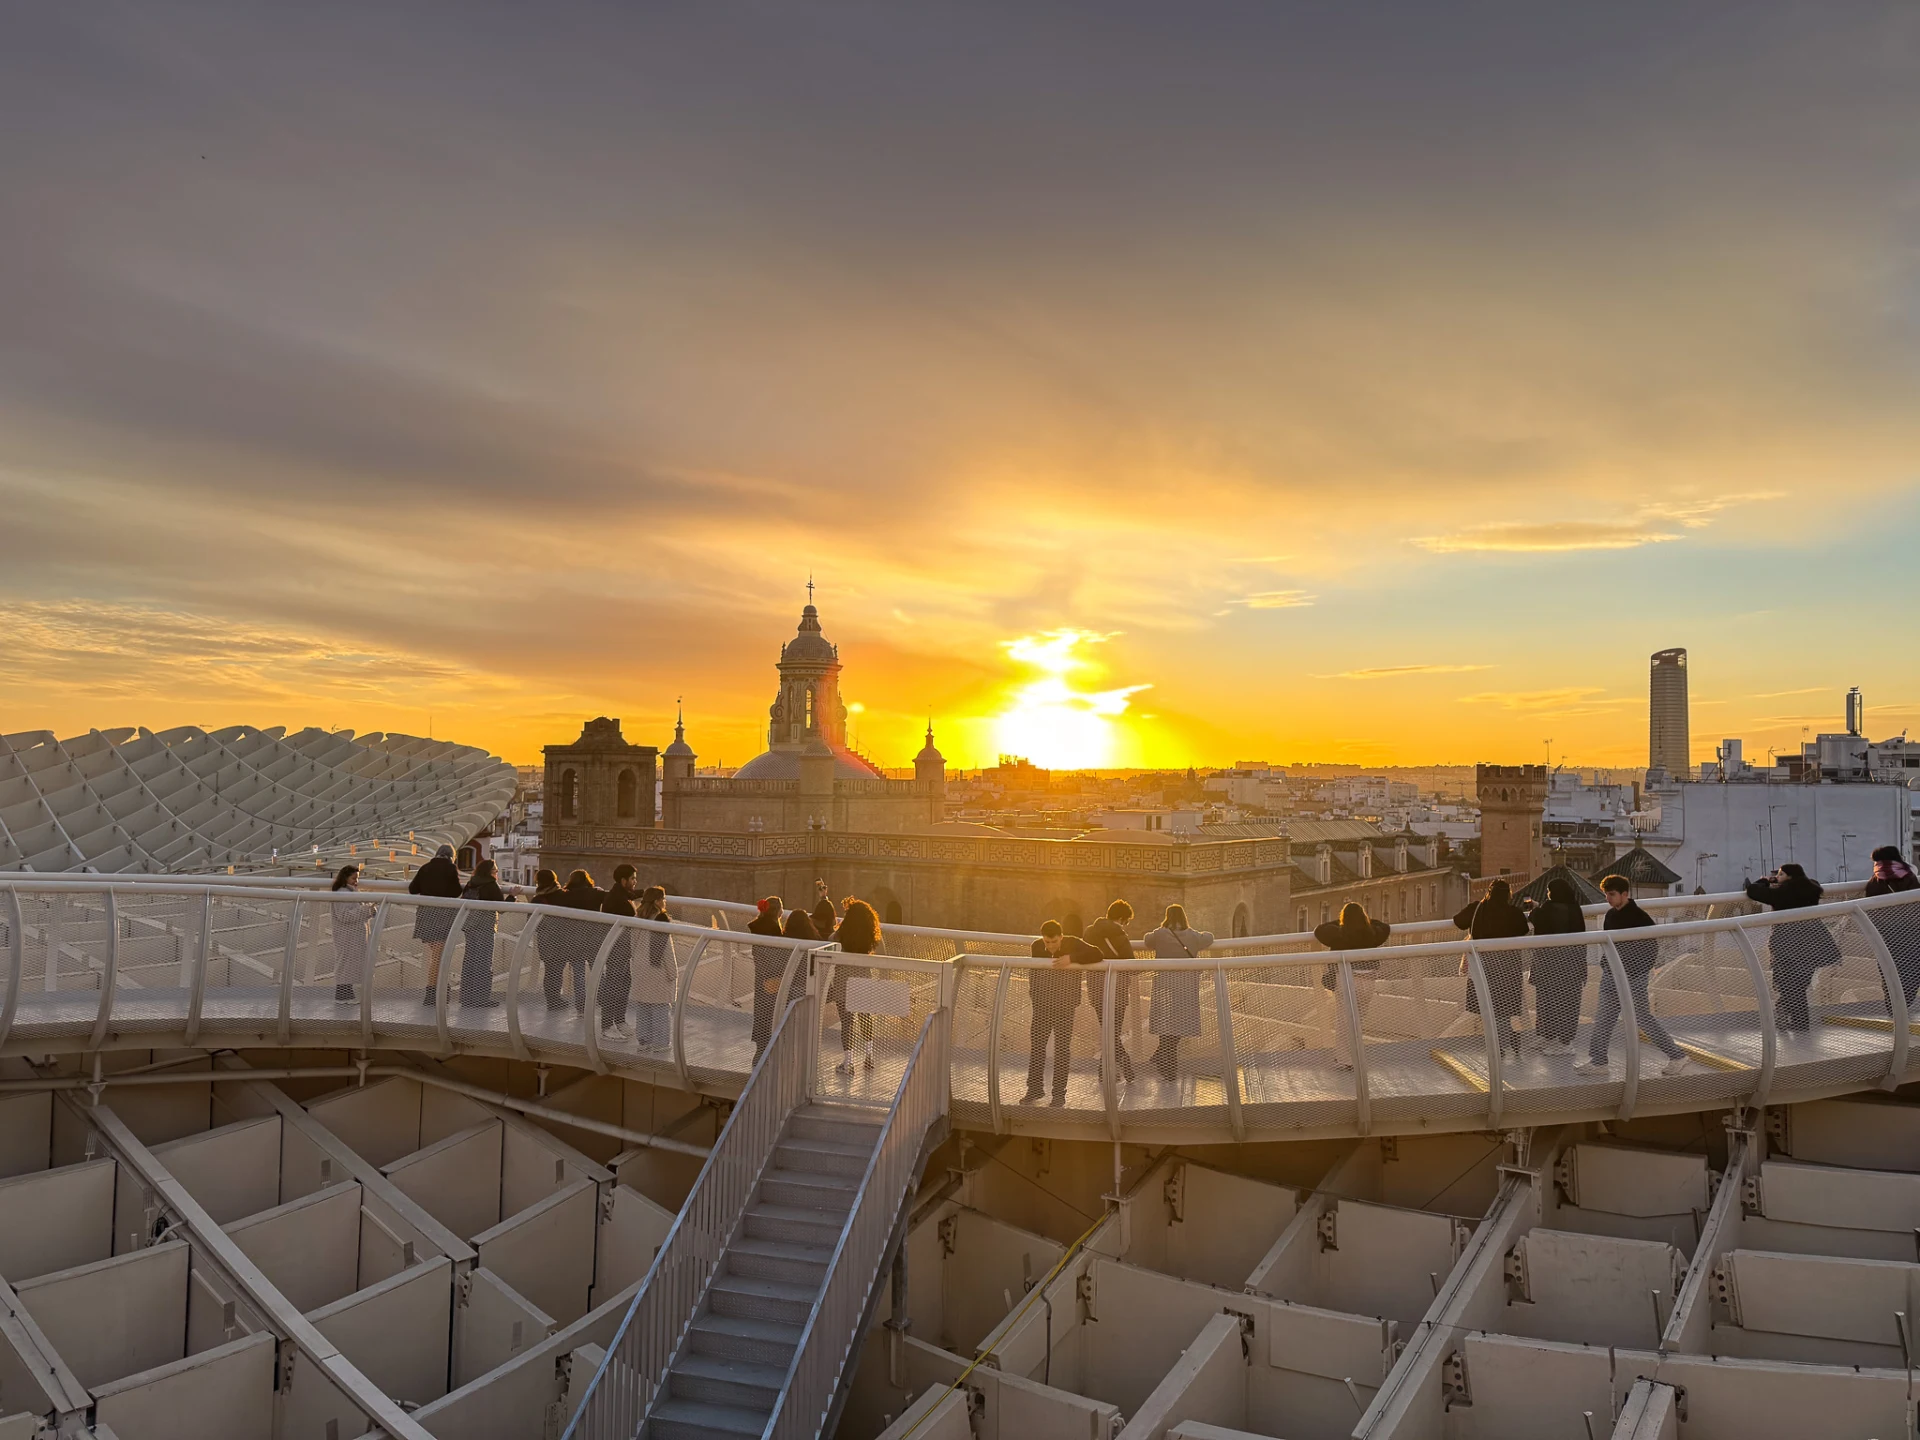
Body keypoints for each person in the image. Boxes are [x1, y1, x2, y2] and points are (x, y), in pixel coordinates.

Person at [1576, 875, 1689, 1075]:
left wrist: (1633, 972)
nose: (1608, 899)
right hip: (1612, 976)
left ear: (1624, 894)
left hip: (1633, 978)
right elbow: (1609, 945)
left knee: (1642, 1018)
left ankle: (1677, 1056)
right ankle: (1598, 1062)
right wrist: (1607, 965)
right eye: (1606, 895)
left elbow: (1650, 951)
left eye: (1612, 894)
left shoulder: (1640, 918)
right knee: (1604, 1018)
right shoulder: (1610, 916)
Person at [1744, 863, 1840, 1033]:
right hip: (1813, 942)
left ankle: (1795, 1021)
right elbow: (1812, 882)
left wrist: (1764, 881)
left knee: (1786, 983)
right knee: (1799, 984)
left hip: (1788, 943)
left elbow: (1752, 890)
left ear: (1789, 877)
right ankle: (1795, 1020)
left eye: (1781, 874)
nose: (1778, 877)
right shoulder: (1812, 889)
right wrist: (1780, 880)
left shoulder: (1782, 893)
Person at [1024, 920, 1102, 1105]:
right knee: (1037, 1047)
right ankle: (1034, 1089)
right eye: (1047, 942)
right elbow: (1033, 975)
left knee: (1062, 1050)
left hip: (1065, 1006)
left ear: (1061, 937)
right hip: (1042, 1006)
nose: (1050, 946)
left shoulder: (1073, 943)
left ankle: (1059, 1094)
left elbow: (1097, 953)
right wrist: (1035, 998)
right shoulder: (1036, 946)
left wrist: (1071, 958)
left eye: (1054, 942)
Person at [1453, 880, 1529, 1062]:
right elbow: (1523, 929)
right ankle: (1507, 1040)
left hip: (1483, 965)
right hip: (1509, 966)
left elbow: (1458, 921)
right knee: (1504, 1007)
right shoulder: (1514, 913)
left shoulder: (1477, 909)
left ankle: (1499, 1045)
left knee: (1487, 1007)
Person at [1142, 905, 1215, 1083]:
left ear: (1167, 917)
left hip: (1164, 986)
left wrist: (1160, 930)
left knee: (1165, 1021)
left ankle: (1164, 1060)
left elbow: (1146, 940)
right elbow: (1209, 938)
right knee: (1180, 1023)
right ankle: (1166, 1063)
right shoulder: (1192, 935)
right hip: (1186, 987)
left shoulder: (1160, 934)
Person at [1314, 901, 1390, 1069]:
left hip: (1347, 980)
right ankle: (1355, 1056)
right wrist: (1365, 922)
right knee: (1358, 1021)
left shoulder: (1339, 934)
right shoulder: (1372, 934)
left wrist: (1340, 922)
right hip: (1368, 981)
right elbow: (1384, 926)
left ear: (1344, 919)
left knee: (1343, 1020)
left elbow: (1319, 930)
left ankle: (1343, 1060)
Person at [1527, 877, 1589, 1056]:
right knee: (1567, 1003)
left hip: (1548, 964)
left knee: (1546, 1001)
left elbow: (1537, 918)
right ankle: (1560, 1039)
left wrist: (1536, 907)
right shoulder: (1574, 908)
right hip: (1571, 965)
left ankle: (1556, 1040)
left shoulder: (1548, 908)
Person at [1082, 900, 1137, 1083]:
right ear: (1121, 918)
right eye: (1126, 921)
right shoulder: (1119, 934)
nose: (1125, 924)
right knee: (1113, 1033)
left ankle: (1105, 1071)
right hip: (1117, 990)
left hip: (1096, 988)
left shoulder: (1089, 932)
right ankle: (1123, 1065)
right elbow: (1131, 963)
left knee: (1108, 1031)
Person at [1865, 845, 1920, 1013]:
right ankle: (1904, 1003)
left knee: (1888, 968)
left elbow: (1869, 907)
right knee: (1913, 967)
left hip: (1883, 933)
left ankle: (1892, 1006)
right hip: (1911, 931)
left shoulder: (1874, 881)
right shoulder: (1909, 876)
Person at [830, 898, 881, 1075]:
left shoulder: (844, 931)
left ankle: (848, 1062)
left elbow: (830, 940)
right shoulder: (869, 934)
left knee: (847, 1021)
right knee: (865, 1017)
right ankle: (869, 1056)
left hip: (843, 978)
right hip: (863, 978)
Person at [543, 870, 604, 1015]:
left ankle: (581, 1006)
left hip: (574, 940)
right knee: (598, 972)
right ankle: (603, 999)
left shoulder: (565, 895)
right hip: (593, 939)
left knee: (579, 974)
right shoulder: (596, 894)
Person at [408, 844, 463, 1005]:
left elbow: (413, 889)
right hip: (444, 916)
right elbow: (456, 892)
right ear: (451, 856)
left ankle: (438, 989)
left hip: (426, 915)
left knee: (436, 956)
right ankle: (432, 992)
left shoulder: (425, 867)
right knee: (438, 957)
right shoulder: (450, 869)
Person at [598, 864, 643, 1041]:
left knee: (624, 982)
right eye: (632, 879)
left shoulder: (620, 894)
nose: (635, 882)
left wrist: (645, 892)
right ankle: (607, 1025)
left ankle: (619, 1020)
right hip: (616, 948)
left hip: (622, 949)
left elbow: (632, 894)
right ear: (624, 880)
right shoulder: (617, 899)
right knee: (614, 985)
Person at [457, 858, 509, 1008]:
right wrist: (513, 896)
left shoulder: (471, 883)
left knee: (470, 961)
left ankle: (466, 997)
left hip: (470, 926)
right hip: (485, 927)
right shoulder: (490, 885)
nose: (497, 874)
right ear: (490, 872)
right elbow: (502, 907)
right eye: (495, 871)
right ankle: (481, 998)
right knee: (484, 962)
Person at [631, 885, 676, 1050]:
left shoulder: (636, 918)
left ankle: (644, 1041)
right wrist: (673, 972)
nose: (664, 902)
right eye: (663, 899)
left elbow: (633, 946)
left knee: (643, 1005)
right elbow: (666, 951)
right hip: (657, 969)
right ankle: (661, 1043)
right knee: (660, 1007)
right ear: (657, 901)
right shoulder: (661, 920)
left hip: (639, 966)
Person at [748, 896, 792, 1060]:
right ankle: (770, 1051)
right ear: (779, 912)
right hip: (775, 978)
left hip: (760, 976)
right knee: (774, 1012)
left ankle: (760, 1049)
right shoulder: (774, 931)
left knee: (761, 1011)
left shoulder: (756, 928)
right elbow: (779, 956)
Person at [328, 864, 375, 1004]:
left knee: (348, 963)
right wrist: (366, 910)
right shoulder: (343, 893)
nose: (356, 881)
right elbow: (344, 915)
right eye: (354, 878)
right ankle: (342, 996)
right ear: (345, 878)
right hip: (347, 935)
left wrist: (367, 911)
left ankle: (346, 995)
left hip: (350, 935)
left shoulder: (348, 892)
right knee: (345, 963)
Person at [810, 880, 838, 944]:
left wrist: (823, 897)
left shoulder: (812, 933)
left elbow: (823, 908)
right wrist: (824, 897)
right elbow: (826, 909)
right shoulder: (833, 937)